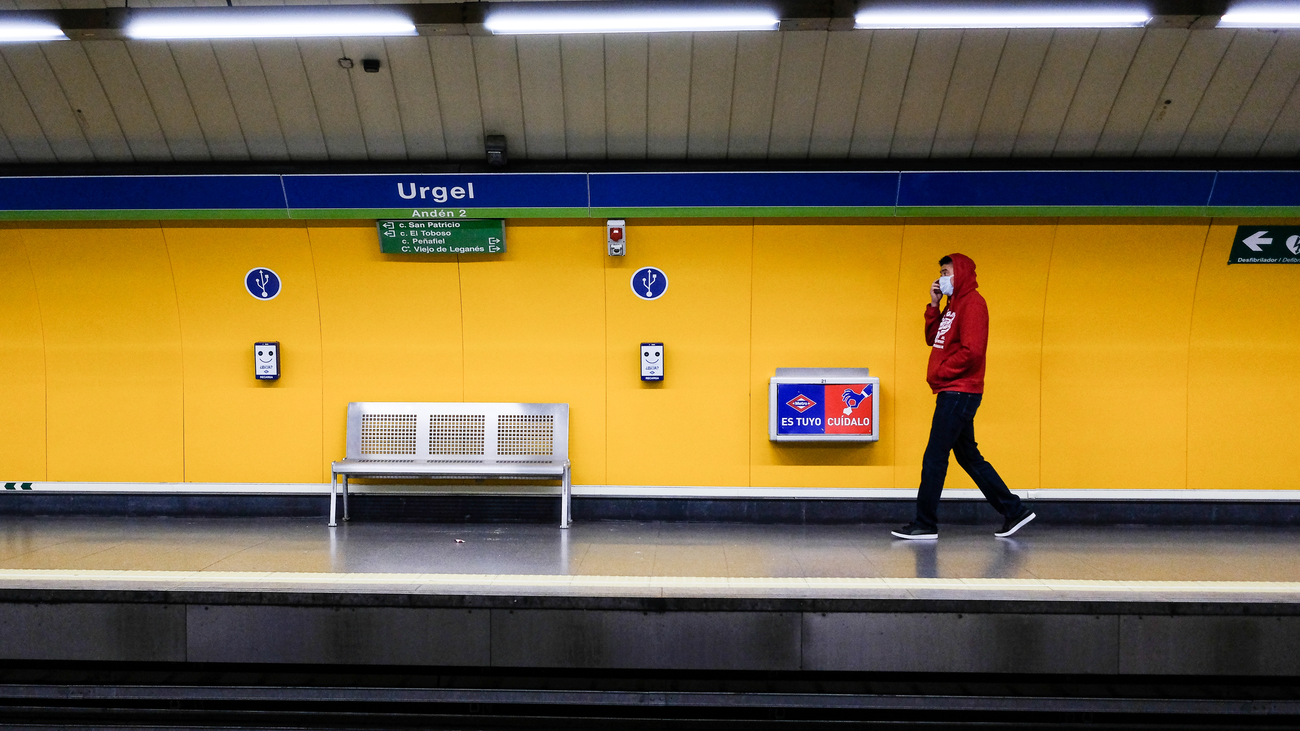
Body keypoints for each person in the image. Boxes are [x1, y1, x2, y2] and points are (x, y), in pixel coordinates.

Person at [891, 253, 1035, 540]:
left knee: (935, 456)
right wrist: (933, 306)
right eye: (941, 273)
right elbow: (934, 338)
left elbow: (973, 351)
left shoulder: (973, 304)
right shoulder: (952, 306)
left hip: (959, 390)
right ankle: (1013, 510)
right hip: (954, 389)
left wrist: (942, 372)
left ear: (962, 273)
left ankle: (925, 523)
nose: (942, 278)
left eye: (946, 272)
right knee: (968, 456)